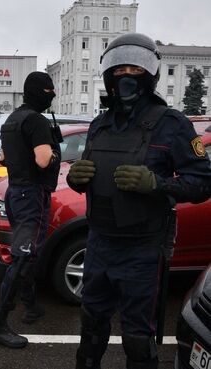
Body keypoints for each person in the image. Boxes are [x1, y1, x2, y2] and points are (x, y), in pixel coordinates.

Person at [66, 33, 211, 369]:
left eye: (134, 68)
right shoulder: (100, 125)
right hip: (99, 243)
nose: (126, 76)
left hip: (142, 250)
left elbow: (204, 181)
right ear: (108, 76)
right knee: (90, 331)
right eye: (119, 70)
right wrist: (76, 180)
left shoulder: (172, 124)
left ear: (149, 74)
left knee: (137, 339)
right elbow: (94, 177)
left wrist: (156, 184)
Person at [0, 72, 61, 349]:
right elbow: (42, 161)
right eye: (49, 90)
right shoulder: (36, 120)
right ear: (41, 92)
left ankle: (30, 307)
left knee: (26, 253)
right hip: (32, 196)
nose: (52, 95)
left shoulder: (12, 120)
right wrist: (53, 153)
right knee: (23, 257)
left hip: (15, 193)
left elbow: (4, 157)